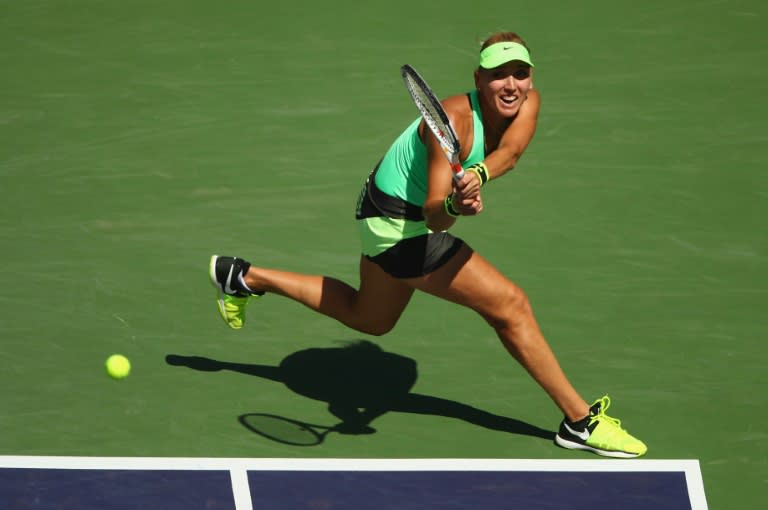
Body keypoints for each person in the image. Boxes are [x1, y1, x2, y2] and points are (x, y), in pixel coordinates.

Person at [208, 32, 647, 458]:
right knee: (510, 306)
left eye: (520, 73)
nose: (511, 85)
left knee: (372, 319)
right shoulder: (452, 124)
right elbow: (435, 214)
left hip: (383, 207)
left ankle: (244, 277)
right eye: (499, 75)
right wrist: (458, 201)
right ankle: (578, 422)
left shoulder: (527, 103)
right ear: (478, 80)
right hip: (395, 223)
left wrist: (480, 176)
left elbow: (510, 152)